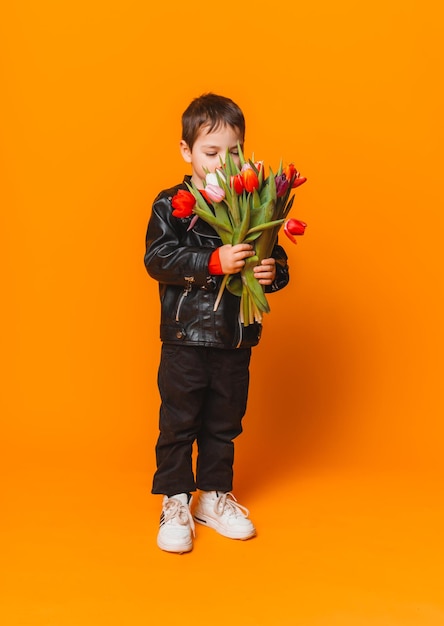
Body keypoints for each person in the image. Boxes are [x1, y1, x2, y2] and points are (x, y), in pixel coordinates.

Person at [144, 93, 290, 553]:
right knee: (179, 421)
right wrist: (212, 260)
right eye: (211, 153)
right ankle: (175, 500)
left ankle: (213, 496)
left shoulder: (251, 199)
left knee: (225, 422)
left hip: (234, 337)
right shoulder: (171, 204)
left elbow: (274, 256)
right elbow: (157, 257)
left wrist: (273, 272)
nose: (223, 162)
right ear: (187, 151)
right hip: (186, 337)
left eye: (234, 152)